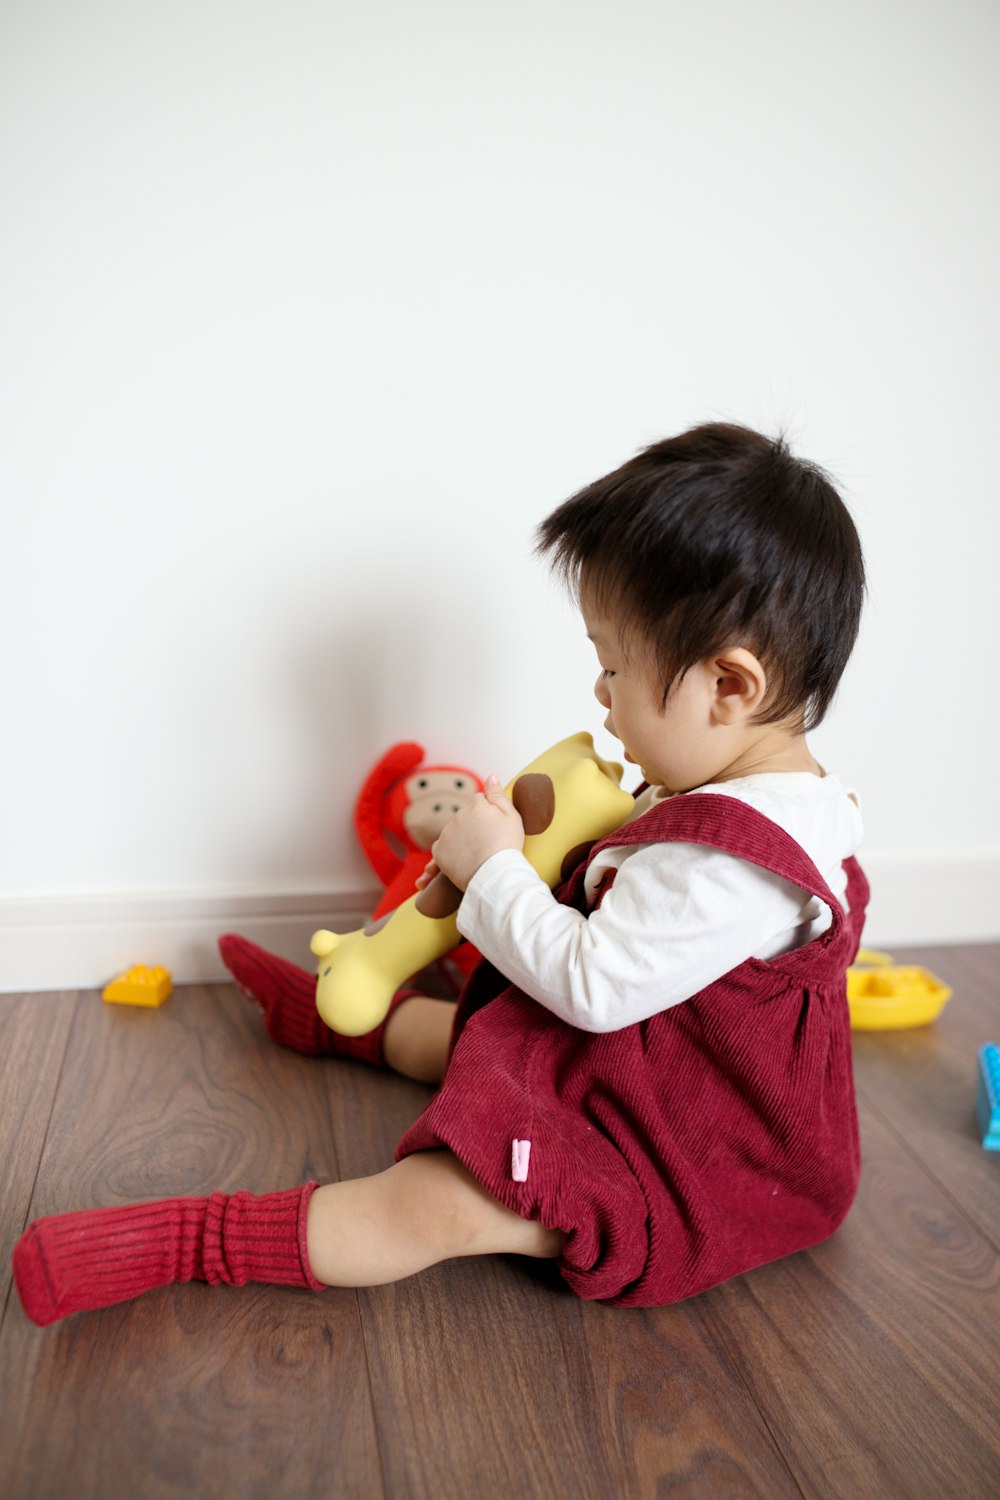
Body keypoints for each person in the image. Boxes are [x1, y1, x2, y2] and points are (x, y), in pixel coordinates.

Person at [13, 422, 868, 1326]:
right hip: (658, 1068)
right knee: (478, 1032)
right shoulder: (757, 790)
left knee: (433, 1203)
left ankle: (191, 1239)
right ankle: (349, 1017)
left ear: (729, 688)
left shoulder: (724, 867)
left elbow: (592, 984)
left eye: (614, 665)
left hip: (693, 1164)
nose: (600, 692)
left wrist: (495, 870)